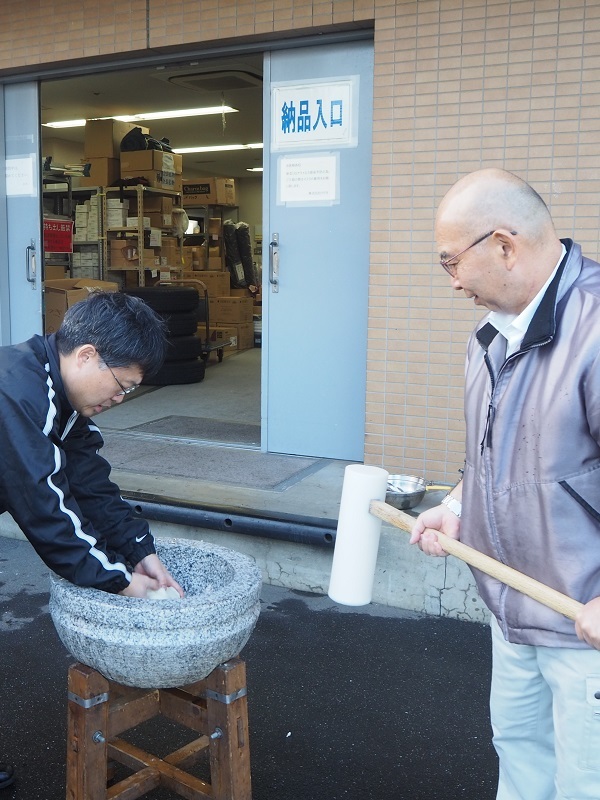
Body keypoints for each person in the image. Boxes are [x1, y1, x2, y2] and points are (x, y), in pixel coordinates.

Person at [409, 168, 600, 800]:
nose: (454, 281)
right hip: (513, 607)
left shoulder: (596, 329)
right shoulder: (490, 337)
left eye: (451, 263)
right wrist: (457, 505)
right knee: (519, 761)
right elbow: (493, 456)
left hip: (584, 621)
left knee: (584, 781)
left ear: (505, 245)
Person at [0, 290, 183, 789]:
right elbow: (45, 507)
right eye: (122, 385)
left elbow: (89, 484)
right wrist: (119, 582)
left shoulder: (63, 398)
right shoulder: (16, 392)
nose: (119, 399)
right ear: (86, 355)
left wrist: (140, 551)